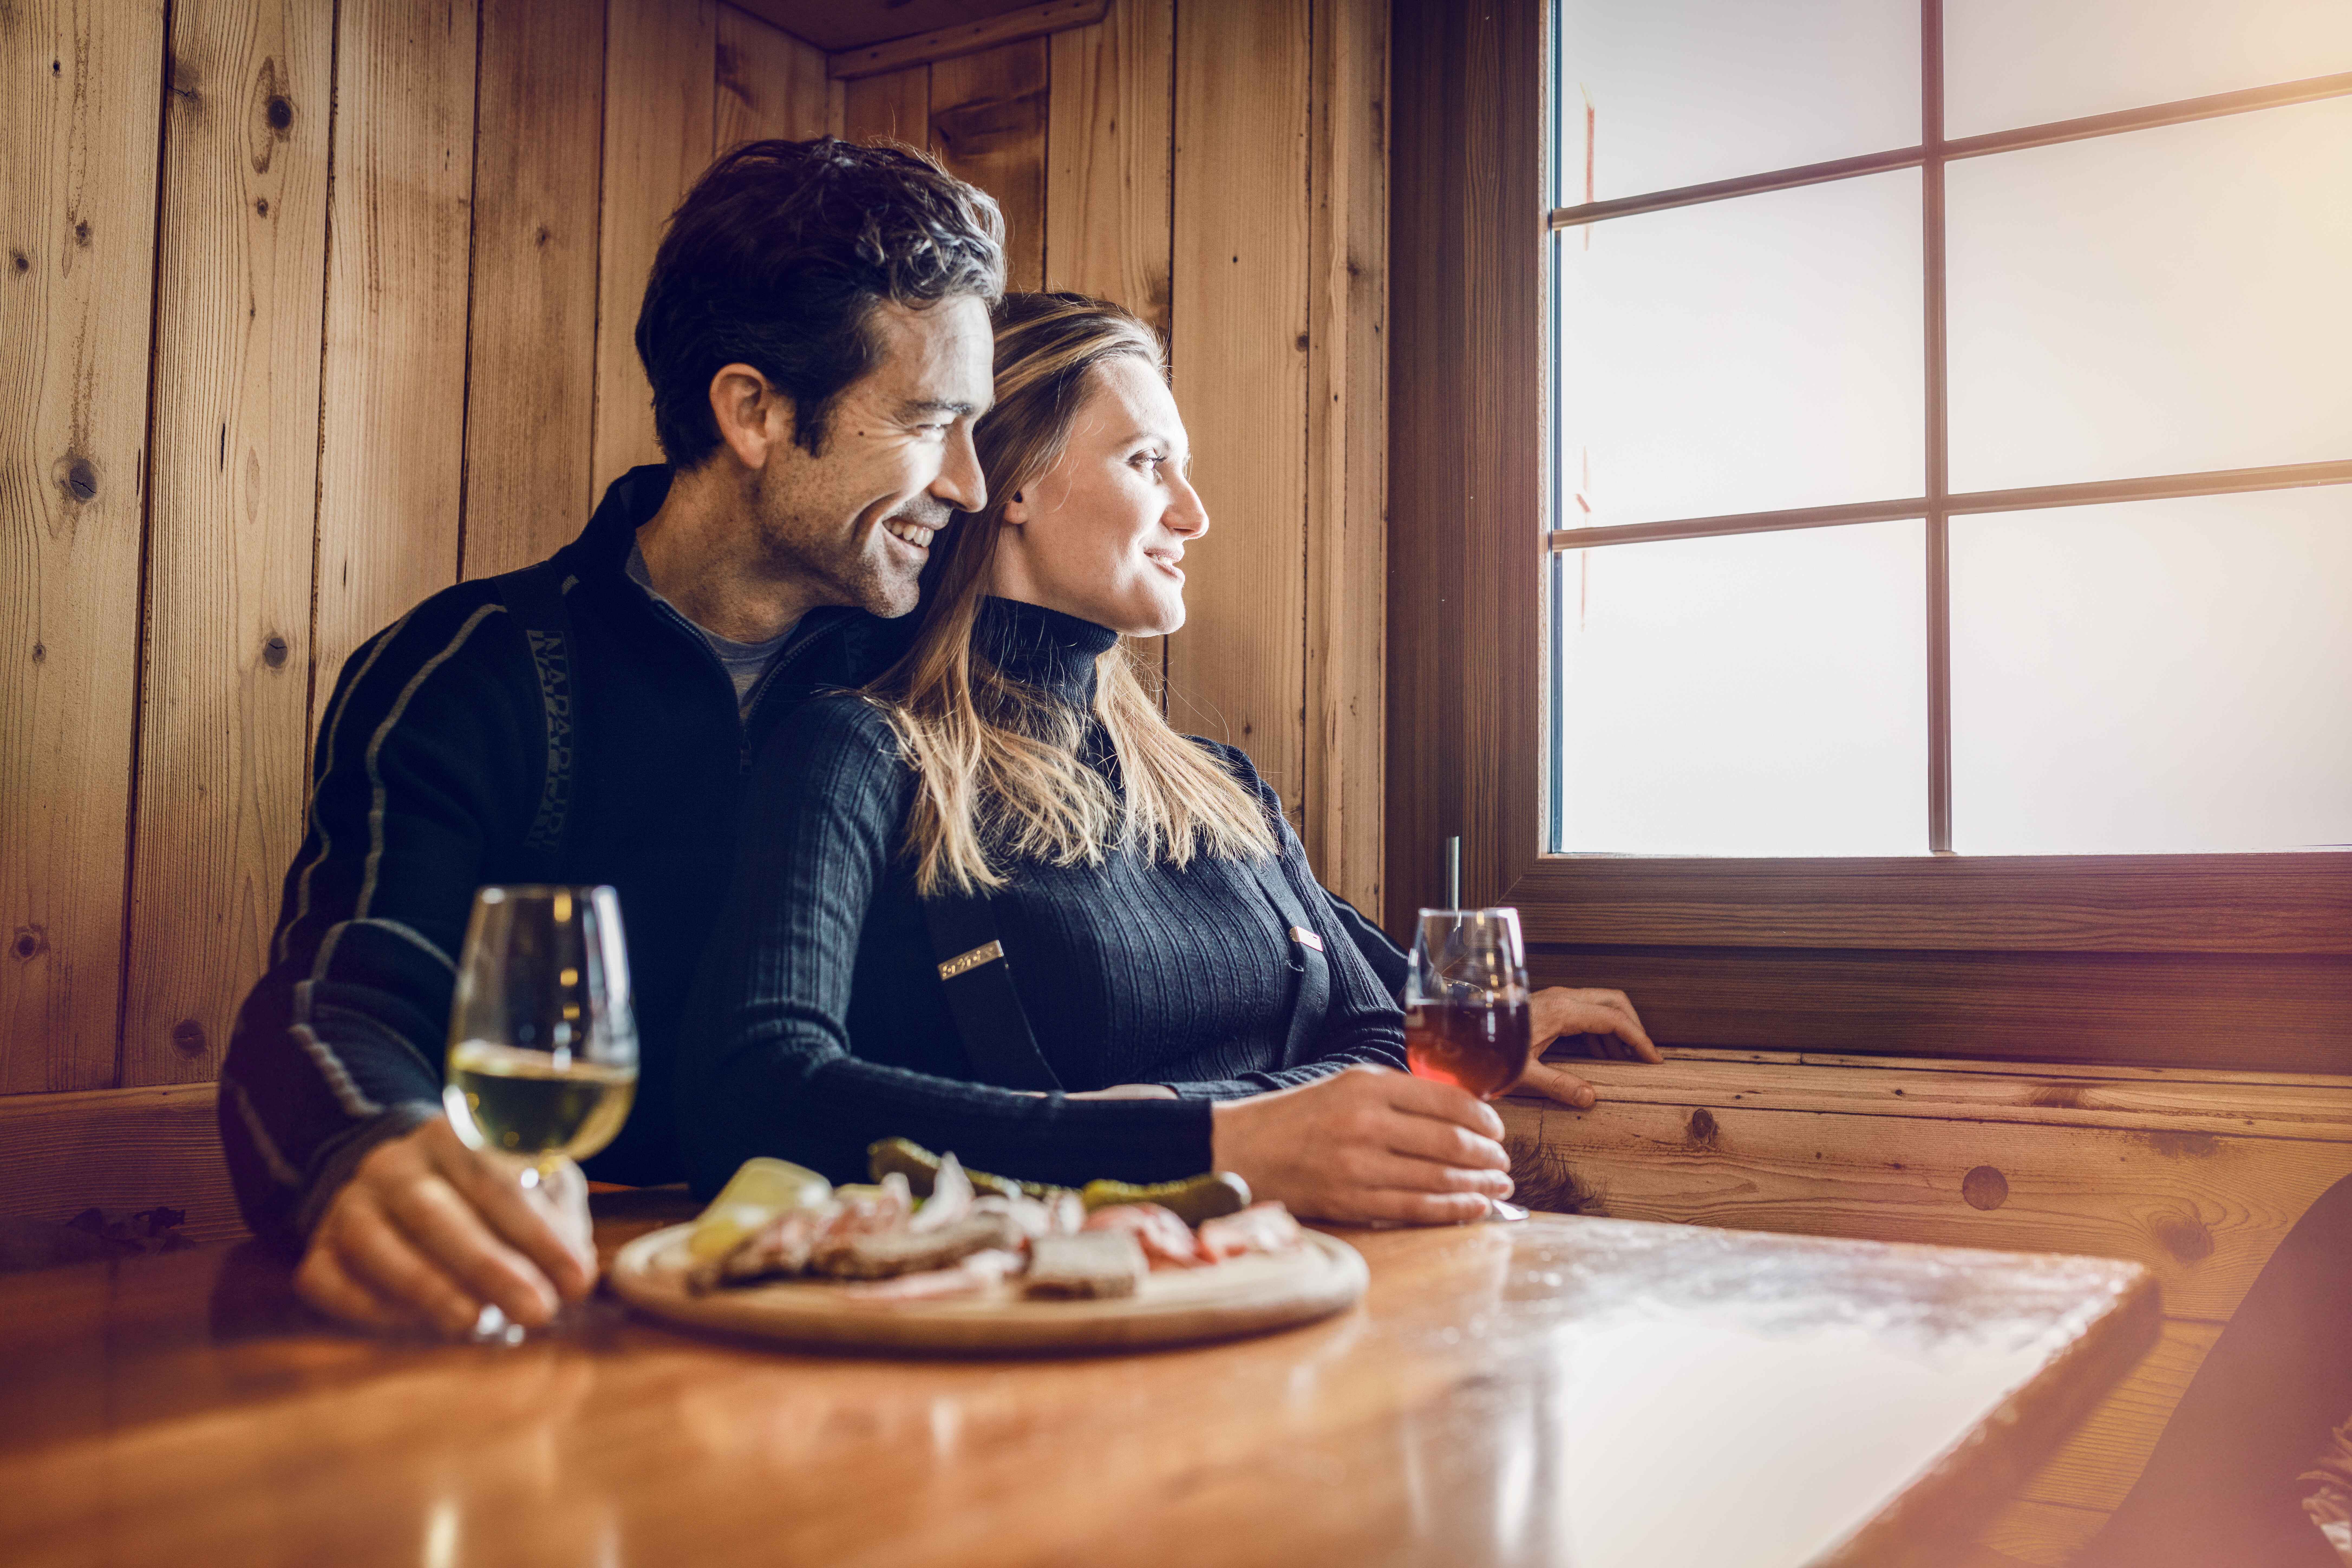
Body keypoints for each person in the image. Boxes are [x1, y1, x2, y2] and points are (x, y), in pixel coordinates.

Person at [220, 137, 1651, 1338]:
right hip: (550, 1277)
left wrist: (1417, 993)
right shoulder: (481, 679)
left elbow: (1179, 886)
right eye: (931, 426)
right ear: (754, 413)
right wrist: (364, 1153)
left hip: (872, 1294)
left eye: (984, 433)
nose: (971, 486)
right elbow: (334, 1007)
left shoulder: (916, 673)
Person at [677, 292, 1641, 1224]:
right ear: (1010, 481)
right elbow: (755, 1096)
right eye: (1149, 463)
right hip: (1065, 1325)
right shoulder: (864, 752)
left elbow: (1383, 1033)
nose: (1194, 514)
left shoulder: (1221, 788)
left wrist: (1251, 1128)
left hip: (1338, 1288)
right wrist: (1222, 1142)